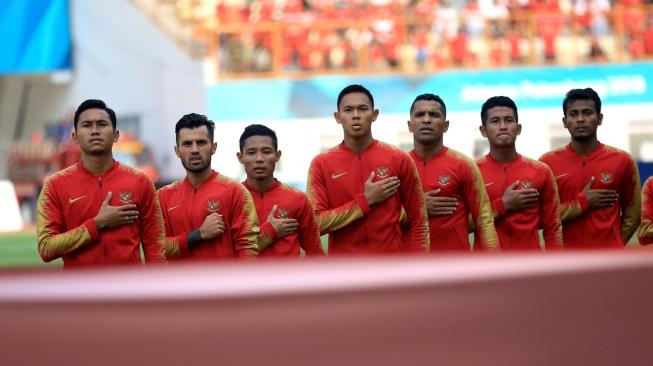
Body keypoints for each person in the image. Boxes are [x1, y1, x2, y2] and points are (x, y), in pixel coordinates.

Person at [36, 99, 166, 267]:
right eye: (87, 125)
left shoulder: (141, 182)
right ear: (75, 136)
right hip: (79, 291)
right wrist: (96, 224)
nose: (95, 130)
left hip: (128, 290)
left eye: (102, 124)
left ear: (116, 135)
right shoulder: (55, 185)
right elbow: (46, 248)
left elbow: (155, 246)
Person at [306, 84, 429, 254]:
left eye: (362, 109)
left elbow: (419, 221)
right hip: (345, 272)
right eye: (348, 110)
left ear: (374, 114)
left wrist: (420, 268)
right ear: (337, 117)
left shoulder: (399, 159)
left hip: (390, 269)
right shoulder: (321, 164)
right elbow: (315, 223)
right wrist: (364, 201)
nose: (356, 115)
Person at [540, 88, 640, 248]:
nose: (580, 119)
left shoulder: (623, 160)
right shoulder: (546, 163)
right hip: (564, 263)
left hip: (608, 262)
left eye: (587, 113)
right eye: (573, 114)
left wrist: (613, 245)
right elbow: (539, 218)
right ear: (565, 122)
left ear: (599, 118)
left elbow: (633, 215)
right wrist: (581, 203)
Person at [405, 93, 498, 252]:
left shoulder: (464, 165)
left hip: (455, 269)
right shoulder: (398, 165)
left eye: (434, 115)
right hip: (408, 269)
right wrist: (418, 208)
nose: (426, 120)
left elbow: (484, 220)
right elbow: (383, 219)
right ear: (410, 125)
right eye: (420, 115)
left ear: (446, 125)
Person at [158, 113, 259, 259]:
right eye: (187, 144)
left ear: (213, 147)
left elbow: (248, 249)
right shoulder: (163, 197)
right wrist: (199, 235)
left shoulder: (235, 191)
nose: (194, 150)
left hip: (224, 282)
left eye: (201, 142)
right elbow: (157, 247)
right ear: (177, 150)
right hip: (179, 282)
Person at [477, 96, 563, 250]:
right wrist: (502, 205)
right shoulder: (471, 172)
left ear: (518, 128)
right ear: (483, 131)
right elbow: (462, 225)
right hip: (486, 269)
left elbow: (553, 228)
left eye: (509, 120)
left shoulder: (541, 171)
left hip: (530, 268)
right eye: (495, 121)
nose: (503, 126)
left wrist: (554, 269)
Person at [237, 124, 325, 257]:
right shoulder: (232, 198)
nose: (259, 159)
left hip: (290, 278)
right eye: (251, 152)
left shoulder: (297, 198)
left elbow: (315, 252)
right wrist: (270, 231)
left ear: (277, 155)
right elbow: (227, 254)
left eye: (266, 152)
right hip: (246, 278)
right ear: (240, 157)